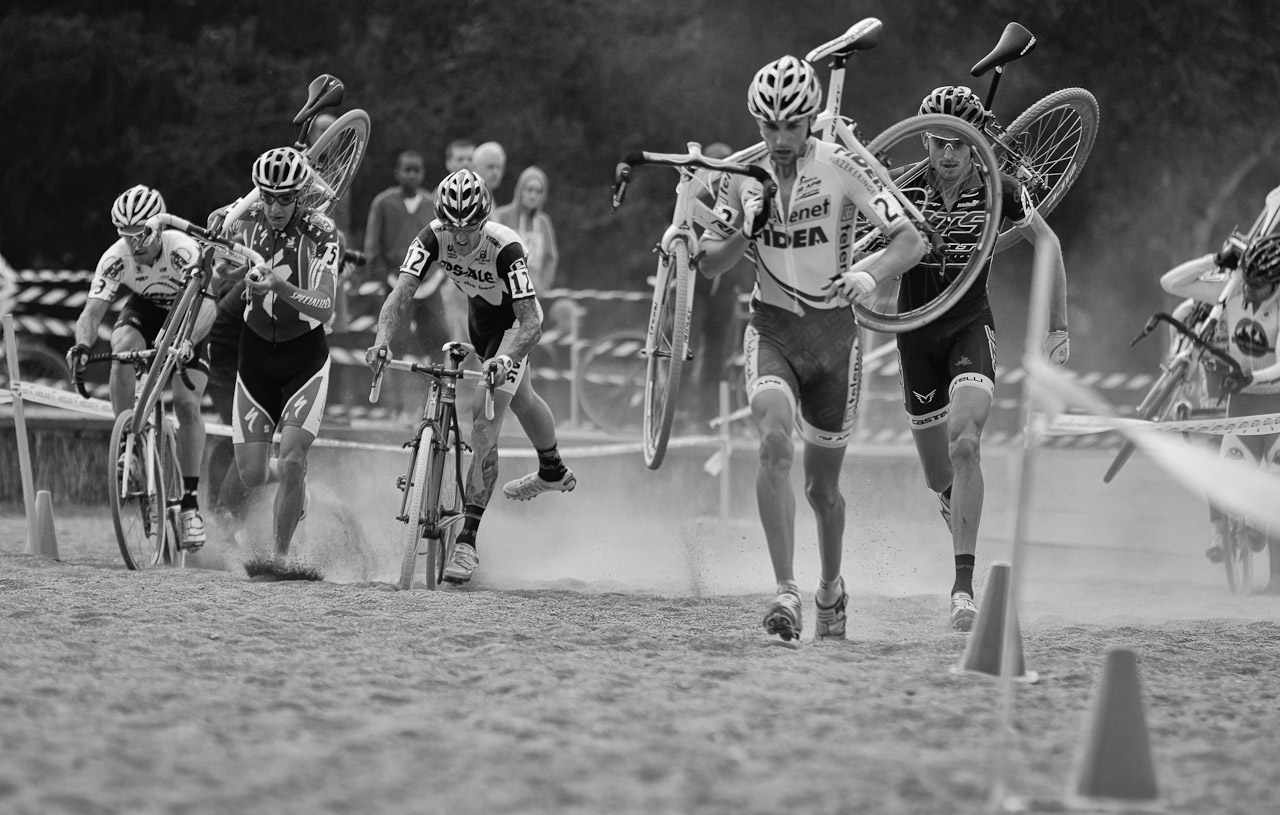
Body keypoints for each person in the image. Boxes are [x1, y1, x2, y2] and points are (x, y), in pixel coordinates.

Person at [699, 56, 929, 642]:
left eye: (792, 127)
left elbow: (911, 238)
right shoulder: (740, 175)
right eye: (767, 128)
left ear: (809, 120)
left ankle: (830, 587)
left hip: (836, 340)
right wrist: (745, 227)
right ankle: (785, 592)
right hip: (772, 330)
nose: (779, 140)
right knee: (775, 441)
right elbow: (709, 266)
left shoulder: (841, 166)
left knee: (822, 490)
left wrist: (870, 275)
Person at [885, 86, 1070, 631]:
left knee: (965, 444)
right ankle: (955, 503)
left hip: (970, 326)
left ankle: (963, 590)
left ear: (975, 146)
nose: (948, 155)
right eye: (939, 143)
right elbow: (867, 250)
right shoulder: (901, 190)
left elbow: (1049, 244)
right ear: (925, 140)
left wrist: (1058, 327)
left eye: (959, 146)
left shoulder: (1001, 190)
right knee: (938, 475)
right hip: (914, 337)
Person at [365, 169, 576, 585]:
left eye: (470, 230)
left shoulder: (506, 247)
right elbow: (402, 291)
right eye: (452, 229)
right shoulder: (431, 236)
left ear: (484, 220)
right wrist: (382, 339)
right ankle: (551, 468)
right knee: (523, 398)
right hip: (482, 324)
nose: (460, 239)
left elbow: (533, 322)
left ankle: (467, 541)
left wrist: (507, 358)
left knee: (484, 415)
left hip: (513, 328)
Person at [65, 185, 215, 550]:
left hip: (190, 314)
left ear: (158, 227)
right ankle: (129, 447)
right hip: (146, 310)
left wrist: (187, 342)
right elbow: (91, 313)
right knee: (122, 350)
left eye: (141, 234)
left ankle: (190, 505)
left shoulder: (182, 249)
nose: (133, 244)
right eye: (125, 235)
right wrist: (82, 346)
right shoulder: (115, 258)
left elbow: (209, 307)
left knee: (185, 403)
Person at [217, 146, 341, 561]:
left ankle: (279, 557)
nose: (274, 207)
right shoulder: (247, 215)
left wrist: (280, 286)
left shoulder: (322, 231)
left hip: (304, 358)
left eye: (285, 198)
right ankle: (297, 486)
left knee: (290, 461)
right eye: (267, 196)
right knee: (252, 475)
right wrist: (217, 235)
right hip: (254, 357)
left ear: (300, 195)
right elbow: (218, 248)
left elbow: (327, 305)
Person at [1161, 227, 1280, 593]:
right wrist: (1217, 260)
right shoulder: (1231, 288)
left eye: (1256, 286)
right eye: (1245, 281)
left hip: (1275, 403)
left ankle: (1276, 583)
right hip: (1239, 402)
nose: (1247, 291)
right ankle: (1231, 529)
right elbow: (1171, 283)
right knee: (1232, 482)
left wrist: (1252, 375)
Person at [363, 149, 452, 420]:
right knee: (395, 343)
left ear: (423, 174)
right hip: (397, 283)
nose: (411, 175)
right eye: (407, 169)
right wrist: (386, 277)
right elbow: (372, 248)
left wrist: (440, 275)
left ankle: (433, 405)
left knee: (438, 339)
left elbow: (447, 243)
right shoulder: (383, 203)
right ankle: (397, 406)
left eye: (417, 170)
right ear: (397, 172)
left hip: (430, 284)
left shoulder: (432, 204)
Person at [689, 142, 752, 425]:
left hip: (724, 291)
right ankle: (677, 413)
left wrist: (740, 283)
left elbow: (745, 242)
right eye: (716, 167)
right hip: (694, 289)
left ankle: (705, 417)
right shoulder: (696, 196)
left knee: (716, 357)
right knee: (683, 353)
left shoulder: (738, 195)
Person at [493, 166, 559, 291]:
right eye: (529, 190)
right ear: (520, 190)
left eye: (538, 191)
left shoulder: (543, 222)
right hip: (504, 292)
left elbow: (550, 258)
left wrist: (543, 286)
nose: (533, 195)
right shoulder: (502, 216)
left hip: (533, 293)